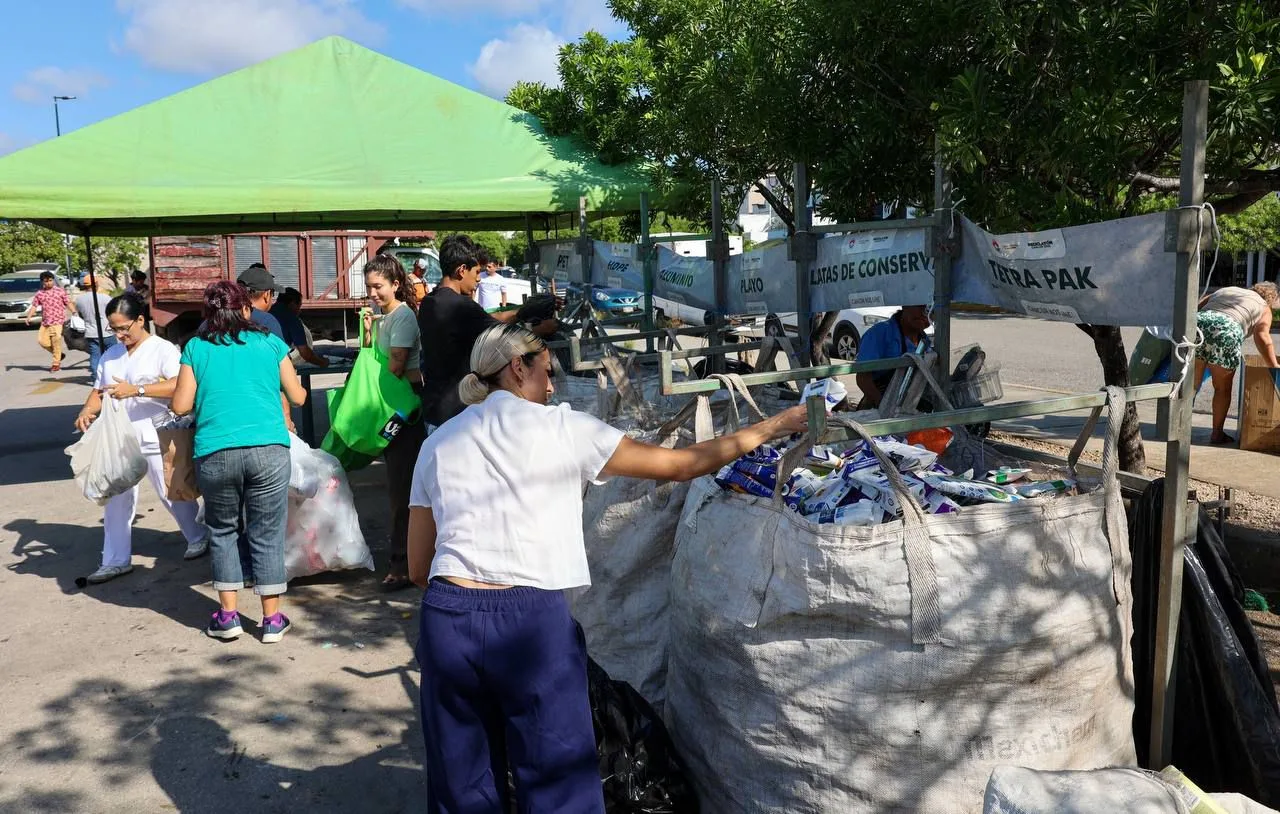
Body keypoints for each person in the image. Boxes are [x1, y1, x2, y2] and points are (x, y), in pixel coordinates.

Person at [407, 323, 809, 811]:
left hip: (448, 619)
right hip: (530, 620)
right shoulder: (563, 429)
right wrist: (773, 426)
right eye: (547, 372)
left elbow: (417, 566)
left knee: (462, 787)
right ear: (517, 368)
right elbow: (681, 465)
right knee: (558, 784)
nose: (551, 387)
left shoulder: (438, 444)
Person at [171, 281, 308, 643]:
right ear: (246, 309)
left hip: (215, 451)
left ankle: (228, 617)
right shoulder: (270, 343)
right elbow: (297, 397)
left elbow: (181, 405)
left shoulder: (196, 347)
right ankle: (272, 621)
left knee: (223, 531)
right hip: (269, 450)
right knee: (267, 532)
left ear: (208, 314)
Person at [73, 294, 210, 584]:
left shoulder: (163, 349)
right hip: (120, 440)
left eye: (124, 328)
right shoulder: (111, 355)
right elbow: (100, 391)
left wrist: (137, 390)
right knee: (116, 500)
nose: (119, 335)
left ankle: (198, 535)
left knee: (171, 491)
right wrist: (87, 410)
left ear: (139, 320)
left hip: (158, 433)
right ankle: (115, 560)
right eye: (113, 329)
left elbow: (180, 385)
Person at [417, 234, 556, 428]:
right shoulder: (460, 306)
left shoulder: (429, 303)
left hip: (433, 406)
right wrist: (535, 323)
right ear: (462, 270)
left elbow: (485, 319)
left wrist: (520, 312)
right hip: (458, 412)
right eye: (476, 272)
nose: (478, 279)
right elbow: (503, 334)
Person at [361, 254, 426, 590]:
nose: (372, 293)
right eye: (369, 287)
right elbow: (374, 358)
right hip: (391, 407)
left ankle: (403, 564)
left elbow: (394, 368)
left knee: (402, 488)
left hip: (405, 410)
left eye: (378, 286)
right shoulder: (384, 319)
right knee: (397, 484)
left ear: (396, 284)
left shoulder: (402, 318)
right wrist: (368, 332)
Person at [1194, 282, 1280, 445]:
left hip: (1198, 325)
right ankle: (1217, 434)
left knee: (1190, 385)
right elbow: (1262, 336)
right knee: (1222, 388)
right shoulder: (1263, 307)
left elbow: (1196, 308)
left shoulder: (1226, 290)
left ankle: (1177, 427)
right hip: (1227, 330)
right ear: (1272, 299)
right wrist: (1274, 365)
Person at [853, 304, 933, 409]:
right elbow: (863, 378)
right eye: (920, 306)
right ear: (905, 305)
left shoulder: (924, 340)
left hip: (909, 406)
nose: (924, 314)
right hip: (877, 408)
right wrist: (885, 408)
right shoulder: (880, 333)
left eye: (929, 310)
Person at [23, 270, 72, 372]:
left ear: (53, 280)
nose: (49, 283)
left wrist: (74, 312)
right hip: (45, 322)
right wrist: (28, 317)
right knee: (42, 342)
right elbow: (34, 306)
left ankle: (56, 363)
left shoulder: (60, 291)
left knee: (56, 340)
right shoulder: (40, 293)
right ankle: (59, 355)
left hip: (58, 321)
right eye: (46, 281)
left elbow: (68, 302)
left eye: (50, 280)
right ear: (42, 282)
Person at [269, 288, 328, 368]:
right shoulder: (292, 319)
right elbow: (305, 353)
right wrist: (322, 362)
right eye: (299, 305)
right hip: (277, 364)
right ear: (293, 303)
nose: (299, 310)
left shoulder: (266, 313)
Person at [74, 275, 117, 375]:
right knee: (114, 355)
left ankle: (96, 378)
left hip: (91, 333)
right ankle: (114, 375)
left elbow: (81, 315)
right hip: (107, 332)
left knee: (95, 356)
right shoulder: (105, 298)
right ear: (96, 284)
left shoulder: (79, 300)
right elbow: (114, 312)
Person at [236, 264, 285, 340]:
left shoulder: (227, 315)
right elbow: (279, 348)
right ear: (266, 294)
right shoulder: (268, 321)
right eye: (272, 293)